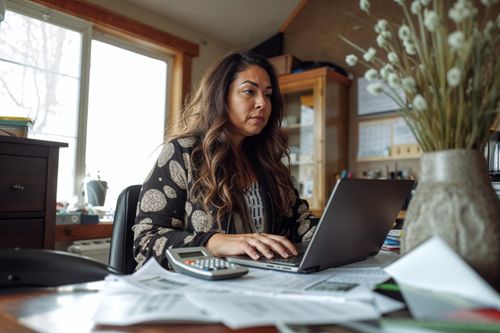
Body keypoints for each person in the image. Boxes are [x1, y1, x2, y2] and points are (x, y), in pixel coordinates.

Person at [133, 50, 318, 270]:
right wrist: (213, 242)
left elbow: (299, 226)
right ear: (221, 96)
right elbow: (145, 243)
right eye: (249, 91)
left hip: (260, 283)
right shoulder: (183, 153)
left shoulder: (269, 162)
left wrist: (345, 231)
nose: (262, 103)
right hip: (198, 290)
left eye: (268, 95)